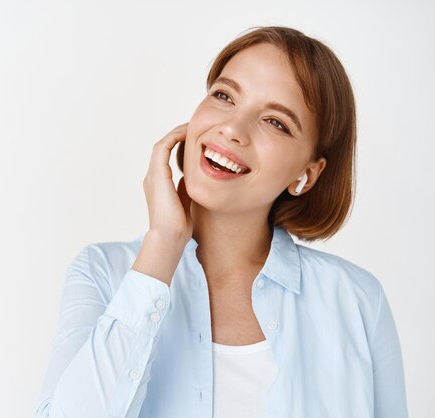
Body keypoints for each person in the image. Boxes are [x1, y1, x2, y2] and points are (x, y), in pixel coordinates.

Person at [34, 26, 408, 418]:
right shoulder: (103, 274)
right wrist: (163, 242)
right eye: (224, 96)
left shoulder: (358, 302)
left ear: (306, 174)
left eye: (276, 122)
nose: (232, 128)